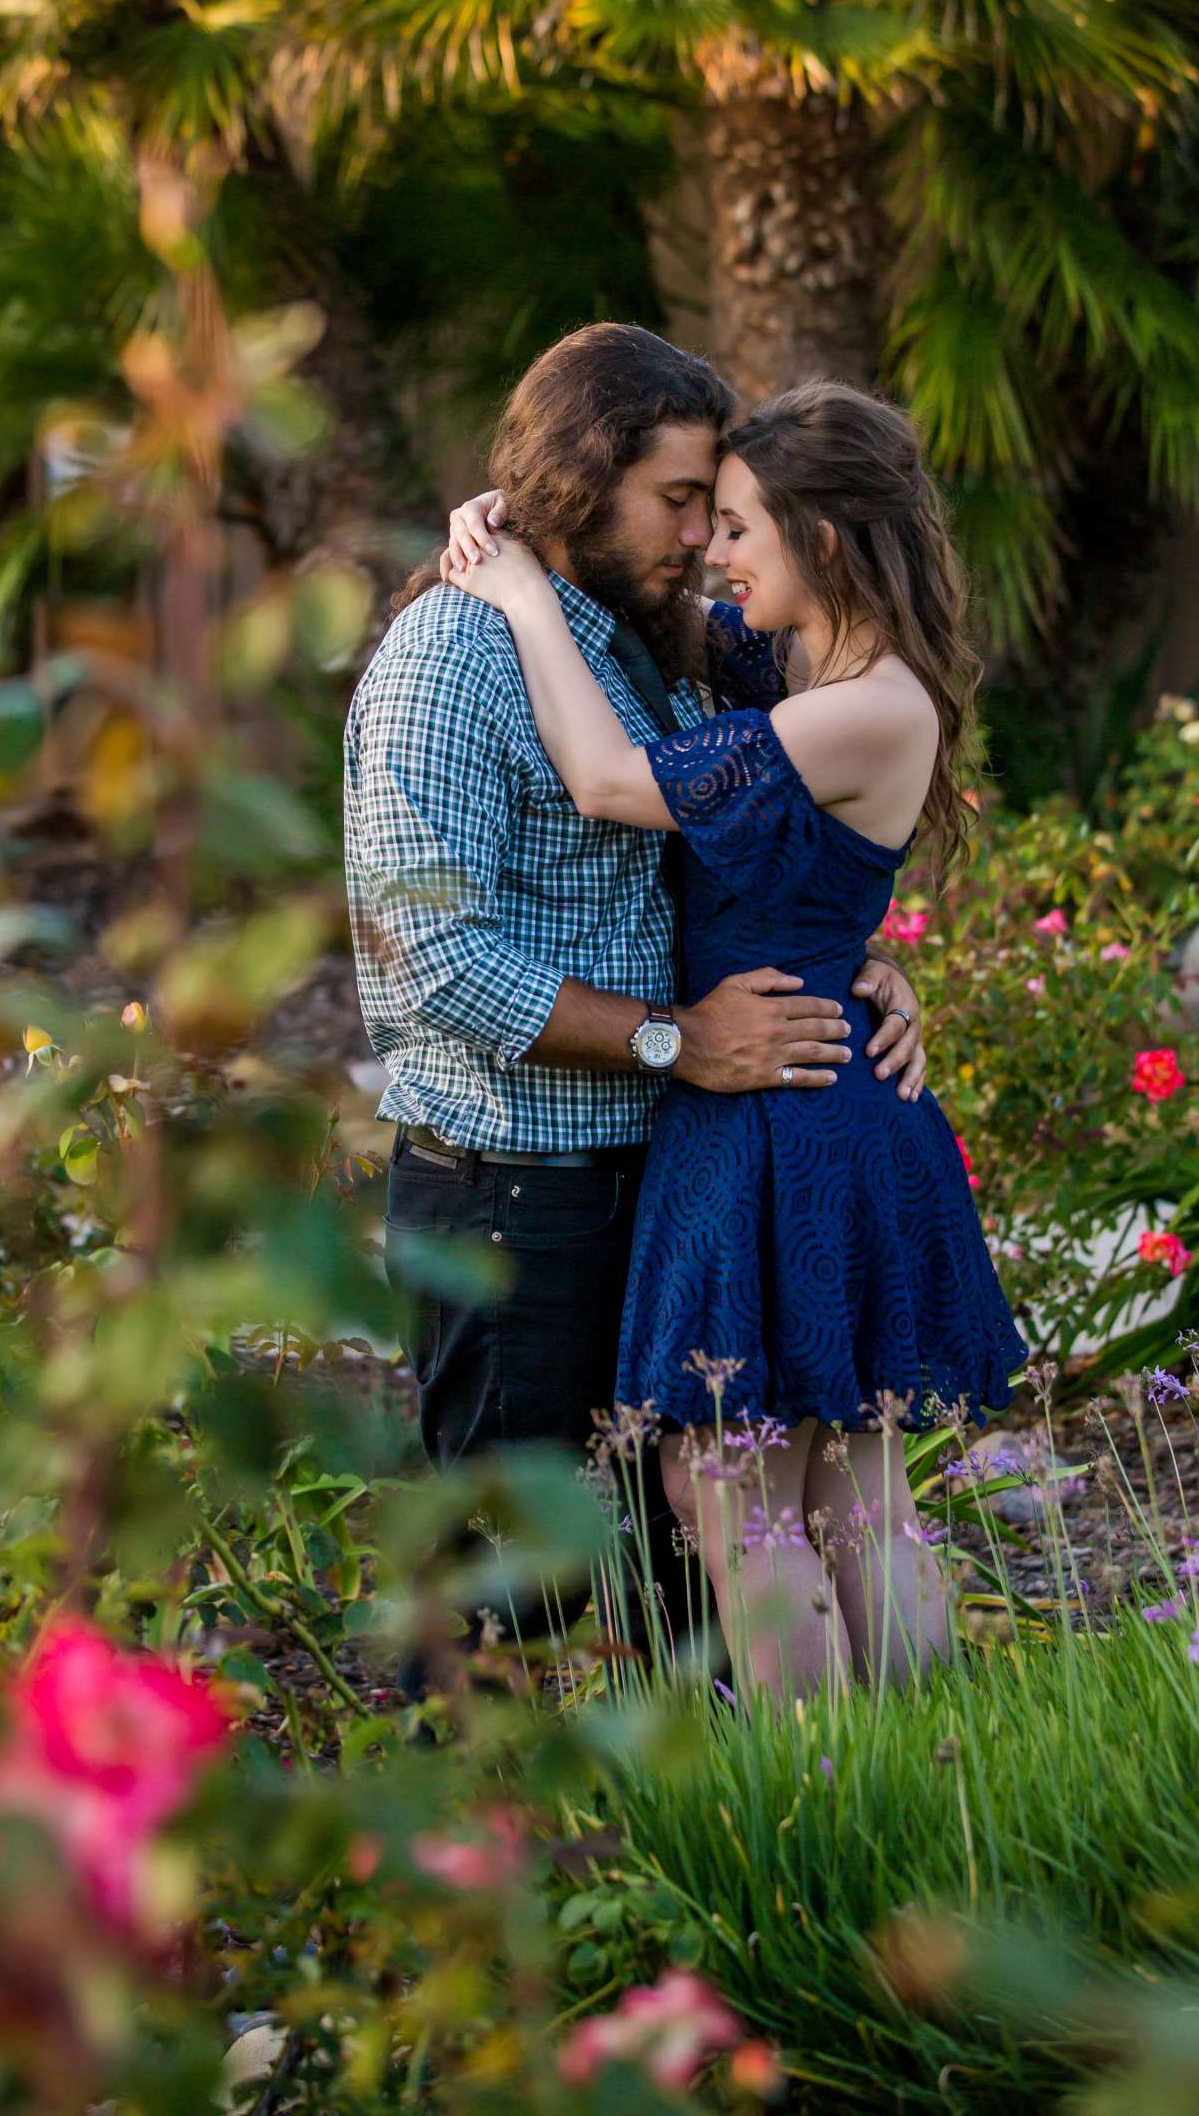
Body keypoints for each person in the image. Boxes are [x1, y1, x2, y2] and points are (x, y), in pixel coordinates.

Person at [342, 325, 925, 1676]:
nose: (702, 538)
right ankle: (495, 1872)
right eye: (678, 502)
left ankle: (732, 1864)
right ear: (574, 482)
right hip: (513, 1200)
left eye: (717, 512)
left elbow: (814, 801)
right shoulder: (451, 658)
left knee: (698, 1581)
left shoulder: (663, 650)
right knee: (511, 1601)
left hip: (666, 1175)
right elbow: (430, 966)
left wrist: (866, 965)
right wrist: (678, 1040)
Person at [443, 377, 1027, 1697]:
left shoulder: (872, 703)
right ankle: (931, 1789)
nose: (717, 549)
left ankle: (825, 1801)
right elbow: (672, 619)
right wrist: (525, 521)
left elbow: (608, 781)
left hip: (780, 1106)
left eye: (746, 525)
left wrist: (524, 598)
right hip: (806, 1075)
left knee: (731, 1477)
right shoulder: (802, 661)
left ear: (826, 537)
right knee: (838, 1483)